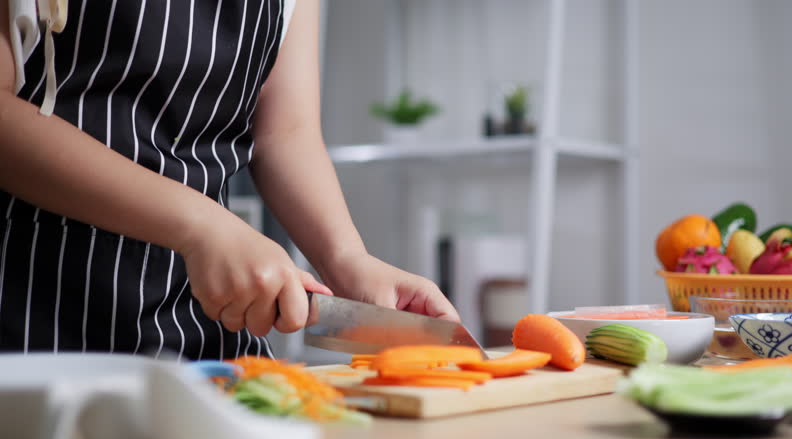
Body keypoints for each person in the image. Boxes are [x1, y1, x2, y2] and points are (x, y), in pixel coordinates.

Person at [0, 0, 458, 359]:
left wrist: (348, 260)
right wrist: (200, 226)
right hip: (33, 322)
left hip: (215, 343)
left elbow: (285, 133)